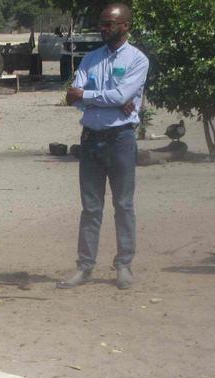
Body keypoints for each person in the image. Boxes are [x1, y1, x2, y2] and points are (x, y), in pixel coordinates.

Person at [58, 2, 148, 291]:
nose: (103, 28)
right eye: (102, 23)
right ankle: (84, 267)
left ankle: (124, 264)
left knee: (123, 205)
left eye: (110, 23)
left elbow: (120, 93)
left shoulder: (138, 60)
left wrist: (91, 95)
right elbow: (73, 98)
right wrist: (109, 98)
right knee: (91, 207)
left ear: (126, 26)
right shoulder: (90, 58)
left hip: (121, 139)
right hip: (92, 139)